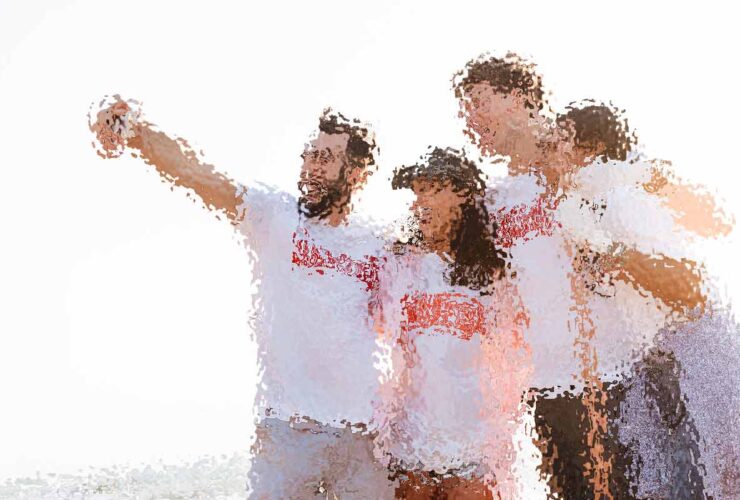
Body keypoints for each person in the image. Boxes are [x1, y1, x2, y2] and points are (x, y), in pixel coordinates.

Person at [89, 97, 398, 498]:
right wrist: (135, 130)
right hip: (288, 431)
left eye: (325, 158)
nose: (310, 166)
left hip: (362, 435)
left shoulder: (377, 245)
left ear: (356, 172)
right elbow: (195, 174)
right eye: (309, 155)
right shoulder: (274, 216)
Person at [453, 52, 729, 498]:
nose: (471, 118)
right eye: (466, 109)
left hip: (627, 376)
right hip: (550, 390)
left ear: (519, 97)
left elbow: (706, 221)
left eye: (480, 102)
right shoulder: (492, 203)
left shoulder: (592, 158)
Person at [373, 147, 533, 498]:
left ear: (461, 194)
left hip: (474, 454)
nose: (419, 203)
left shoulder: (493, 274)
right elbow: (371, 343)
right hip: (409, 451)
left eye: (430, 190)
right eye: (416, 193)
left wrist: (499, 447)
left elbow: (515, 362)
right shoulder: (396, 265)